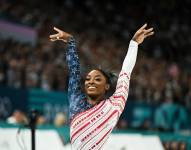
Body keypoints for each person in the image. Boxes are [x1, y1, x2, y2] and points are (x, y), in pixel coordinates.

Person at [49, 24, 154, 149]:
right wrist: (70, 41)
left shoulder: (114, 105)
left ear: (107, 86)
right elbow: (74, 70)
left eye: (98, 79)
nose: (91, 81)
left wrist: (134, 44)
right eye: (88, 79)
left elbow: (126, 72)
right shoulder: (76, 99)